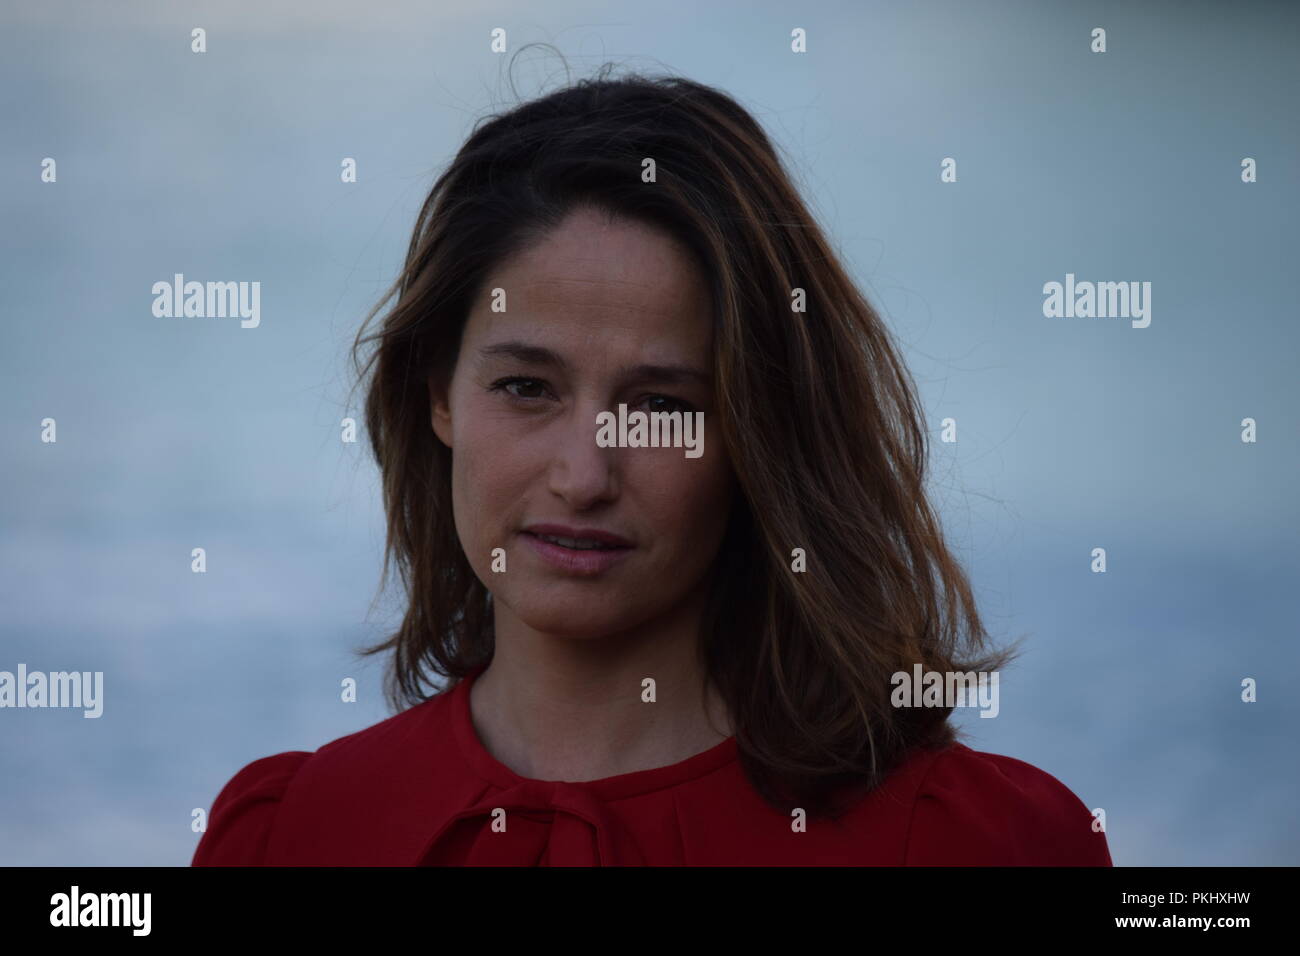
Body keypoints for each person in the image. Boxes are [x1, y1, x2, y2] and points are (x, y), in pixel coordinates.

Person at [192, 70, 1112, 866]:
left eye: (664, 407)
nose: (584, 475)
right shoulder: (297, 836)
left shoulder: (968, 846)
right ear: (437, 395)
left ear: (761, 428)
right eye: (524, 387)